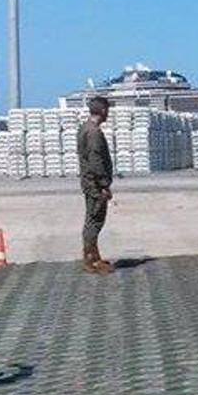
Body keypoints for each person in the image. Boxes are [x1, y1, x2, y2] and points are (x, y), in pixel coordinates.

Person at [77, 96, 114, 274]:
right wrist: (104, 184)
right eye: (107, 110)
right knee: (95, 220)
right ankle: (90, 259)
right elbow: (96, 160)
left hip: (90, 181)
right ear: (103, 111)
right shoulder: (94, 133)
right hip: (95, 184)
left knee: (93, 219)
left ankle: (94, 255)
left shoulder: (85, 128)